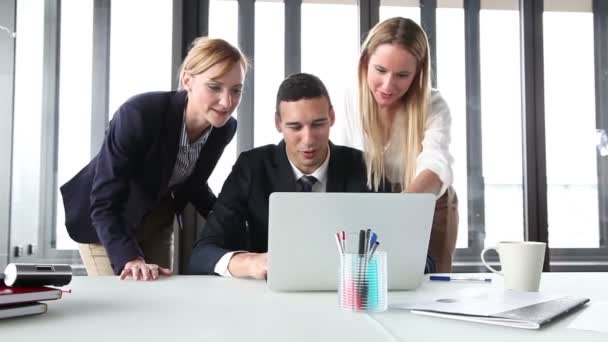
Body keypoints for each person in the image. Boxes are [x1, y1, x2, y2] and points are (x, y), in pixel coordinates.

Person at [60, 37, 248, 281]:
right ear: (188, 80)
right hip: (106, 221)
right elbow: (105, 200)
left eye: (236, 90)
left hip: (156, 217)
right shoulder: (139, 114)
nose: (227, 102)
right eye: (214, 87)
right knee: (122, 303)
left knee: (159, 300)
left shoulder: (224, 128)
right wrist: (129, 257)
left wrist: (233, 222)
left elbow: (194, 182)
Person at [187, 73, 376, 279]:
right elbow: (202, 254)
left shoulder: (363, 166)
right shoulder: (252, 167)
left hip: (345, 291)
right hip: (271, 296)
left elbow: (390, 244)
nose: (308, 139)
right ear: (278, 123)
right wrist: (250, 263)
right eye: (295, 127)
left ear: (332, 117)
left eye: (318, 124)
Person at [353, 17, 458, 272]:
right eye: (380, 70)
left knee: (428, 289)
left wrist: (400, 211)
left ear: (418, 73)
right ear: (366, 62)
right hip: (364, 200)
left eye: (402, 75)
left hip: (426, 203)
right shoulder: (346, 99)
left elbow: (436, 163)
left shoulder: (433, 104)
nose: (388, 86)